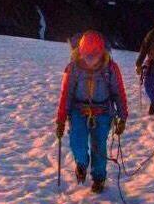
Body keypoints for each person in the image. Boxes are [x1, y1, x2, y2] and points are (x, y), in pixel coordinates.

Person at [55, 31, 128, 193]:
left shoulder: (110, 68)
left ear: (101, 53)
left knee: (98, 146)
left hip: (103, 112)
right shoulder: (73, 68)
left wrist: (122, 117)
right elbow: (66, 94)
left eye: (92, 56)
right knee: (77, 141)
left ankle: (99, 178)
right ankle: (81, 164)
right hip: (78, 111)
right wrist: (60, 119)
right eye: (86, 56)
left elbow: (118, 93)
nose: (89, 60)